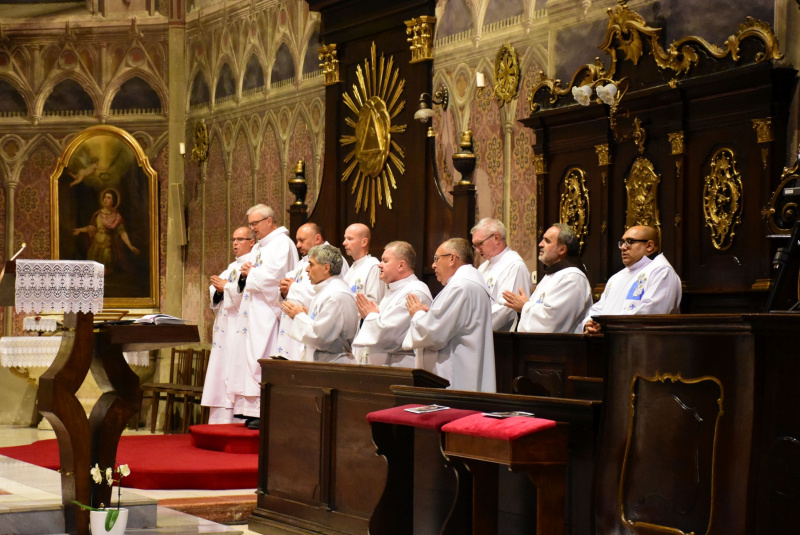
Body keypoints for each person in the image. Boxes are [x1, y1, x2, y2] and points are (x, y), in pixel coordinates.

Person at [229, 204, 298, 426]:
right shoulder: (260, 247)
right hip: (254, 311)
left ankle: (264, 410)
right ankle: (250, 409)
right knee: (248, 355)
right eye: (251, 224)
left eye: (255, 223)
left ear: (269, 221)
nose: (253, 228)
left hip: (268, 313)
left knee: (263, 355)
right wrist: (246, 274)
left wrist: (252, 272)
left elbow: (275, 277)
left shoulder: (282, 244)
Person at [402, 238, 496, 392]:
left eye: (436, 259)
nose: (433, 265)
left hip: (455, 375)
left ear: (452, 258)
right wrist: (429, 316)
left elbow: (433, 334)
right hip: (468, 367)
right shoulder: (471, 283)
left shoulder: (459, 287)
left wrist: (417, 314)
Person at [582, 225, 682, 333]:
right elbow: (598, 308)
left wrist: (604, 326)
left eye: (630, 242)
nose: (623, 247)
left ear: (649, 246)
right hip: (610, 341)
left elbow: (651, 313)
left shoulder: (662, 272)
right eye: (622, 242)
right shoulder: (616, 277)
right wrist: (590, 323)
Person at [201, 227, 256, 424]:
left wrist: (227, 287)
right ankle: (220, 420)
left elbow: (248, 294)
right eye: (233, 239)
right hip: (225, 327)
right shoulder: (232, 266)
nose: (235, 243)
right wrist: (218, 289)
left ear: (252, 241)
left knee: (235, 368)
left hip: (240, 327)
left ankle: (237, 418)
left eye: (240, 239)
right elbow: (217, 292)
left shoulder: (254, 264)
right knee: (222, 368)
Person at [352, 241, 432, 367]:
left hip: (400, 367)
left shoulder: (414, 292)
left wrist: (370, 315)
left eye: (385, 261)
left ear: (401, 265)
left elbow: (388, 336)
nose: (379, 265)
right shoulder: (393, 290)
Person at [275, 223, 348, 360]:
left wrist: (293, 288)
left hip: (313, 333)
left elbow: (324, 294)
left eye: (302, 240)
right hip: (295, 328)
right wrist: (285, 291)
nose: (297, 245)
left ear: (317, 238)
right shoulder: (303, 262)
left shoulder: (332, 260)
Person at [503, 223, 592, 334]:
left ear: (562, 249)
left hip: (561, 348)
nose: (540, 244)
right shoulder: (551, 275)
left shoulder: (572, 278)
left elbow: (553, 322)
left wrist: (524, 307)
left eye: (547, 241)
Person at [283, 244, 359, 362]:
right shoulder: (325, 290)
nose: (307, 269)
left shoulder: (335, 295)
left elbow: (320, 337)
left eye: (311, 264)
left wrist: (299, 316)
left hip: (333, 365)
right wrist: (306, 316)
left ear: (326, 268)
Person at [471, 218, 531, 331]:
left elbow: (507, 309)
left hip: (501, 336)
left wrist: (476, 327)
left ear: (496, 238)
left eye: (480, 244)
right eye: (475, 246)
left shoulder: (515, 265)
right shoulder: (483, 267)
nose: (477, 250)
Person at [73, 188, 140, 273]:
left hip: (107, 247)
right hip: (95, 246)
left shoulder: (117, 216)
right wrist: (80, 230)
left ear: (113, 201)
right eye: (105, 197)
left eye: (108, 197)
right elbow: (91, 228)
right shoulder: (98, 214)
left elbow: (122, 232)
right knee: (91, 270)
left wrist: (130, 246)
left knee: (104, 271)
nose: (105, 199)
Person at [342, 223, 385, 303]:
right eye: (345, 238)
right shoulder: (353, 267)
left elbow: (374, 302)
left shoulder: (373, 266)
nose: (344, 243)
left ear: (364, 242)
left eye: (350, 239)